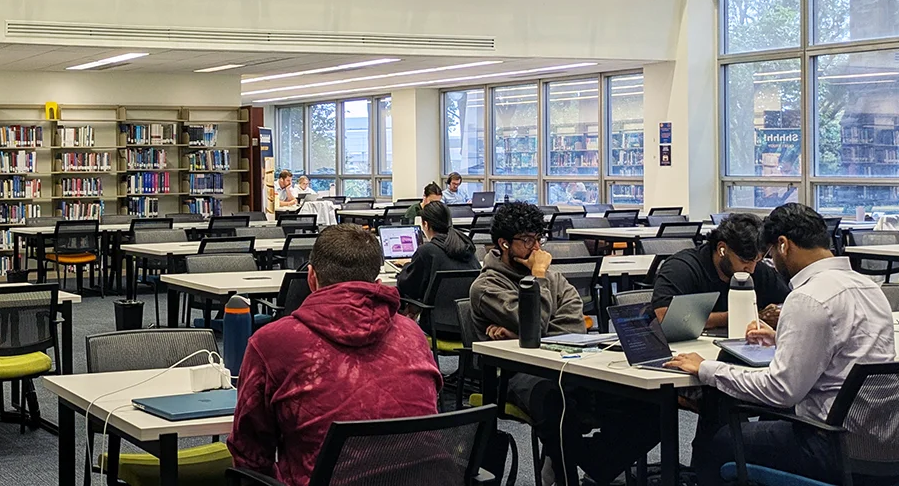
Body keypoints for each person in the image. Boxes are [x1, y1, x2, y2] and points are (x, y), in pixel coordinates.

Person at [665, 203, 899, 486]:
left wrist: (706, 369)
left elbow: (781, 391)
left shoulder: (808, 297)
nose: (770, 263)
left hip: (833, 444)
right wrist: (781, 338)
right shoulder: (868, 287)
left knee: (720, 441)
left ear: (784, 245)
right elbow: (845, 345)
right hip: (888, 441)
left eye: (771, 254)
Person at [228, 225, 442, 486]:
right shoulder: (413, 334)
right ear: (376, 283)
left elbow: (250, 452)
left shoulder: (272, 342)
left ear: (311, 278)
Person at [470, 201, 660, 486]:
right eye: (527, 240)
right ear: (504, 244)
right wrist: (537, 280)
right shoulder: (487, 286)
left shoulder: (553, 277)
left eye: (539, 238)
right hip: (517, 373)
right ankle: (569, 472)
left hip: (570, 364)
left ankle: (594, 464)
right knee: (556, 406)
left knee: (650, 406)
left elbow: (573, 326)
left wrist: (525, 334)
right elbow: (536, 322)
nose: (537, 248)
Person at [651, 212, 790, 330]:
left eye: (757, 260)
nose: (751, 269)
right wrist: (744, 317)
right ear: (722, 249)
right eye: (744, 261)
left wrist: (776, 313)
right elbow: (664, 317)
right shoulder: (681, 268)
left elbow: (790, 301)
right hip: (687, 347)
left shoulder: (757, 270)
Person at [397, 200, 479, 304]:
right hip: (467, 312)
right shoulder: (466, 245)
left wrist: (406, 268)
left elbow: (407, 287)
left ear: (425, 224)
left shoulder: (426, 251)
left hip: (435, 313)